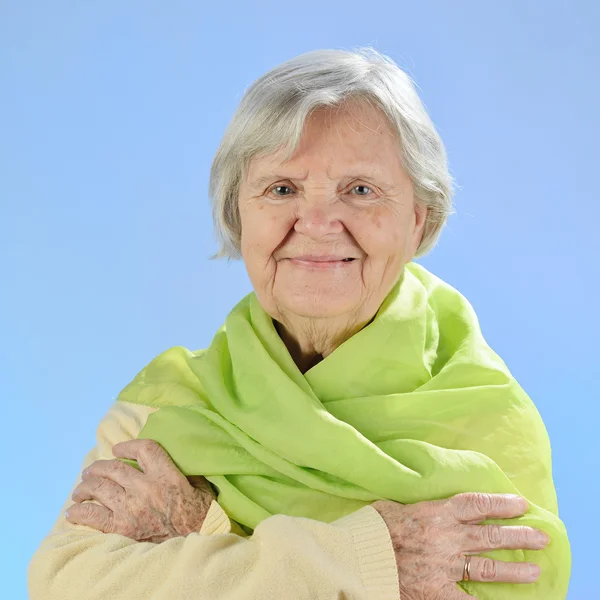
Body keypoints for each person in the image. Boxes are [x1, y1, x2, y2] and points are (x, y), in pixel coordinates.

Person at [28, 47, 571, 600]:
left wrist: (202, 533)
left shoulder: (484, 418)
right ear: (238, 216)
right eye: (281, 189)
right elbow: (67, 585)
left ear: (418, 219)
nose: (315, 223)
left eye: (360, 189)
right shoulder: (164, 409)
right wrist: (364, 563)